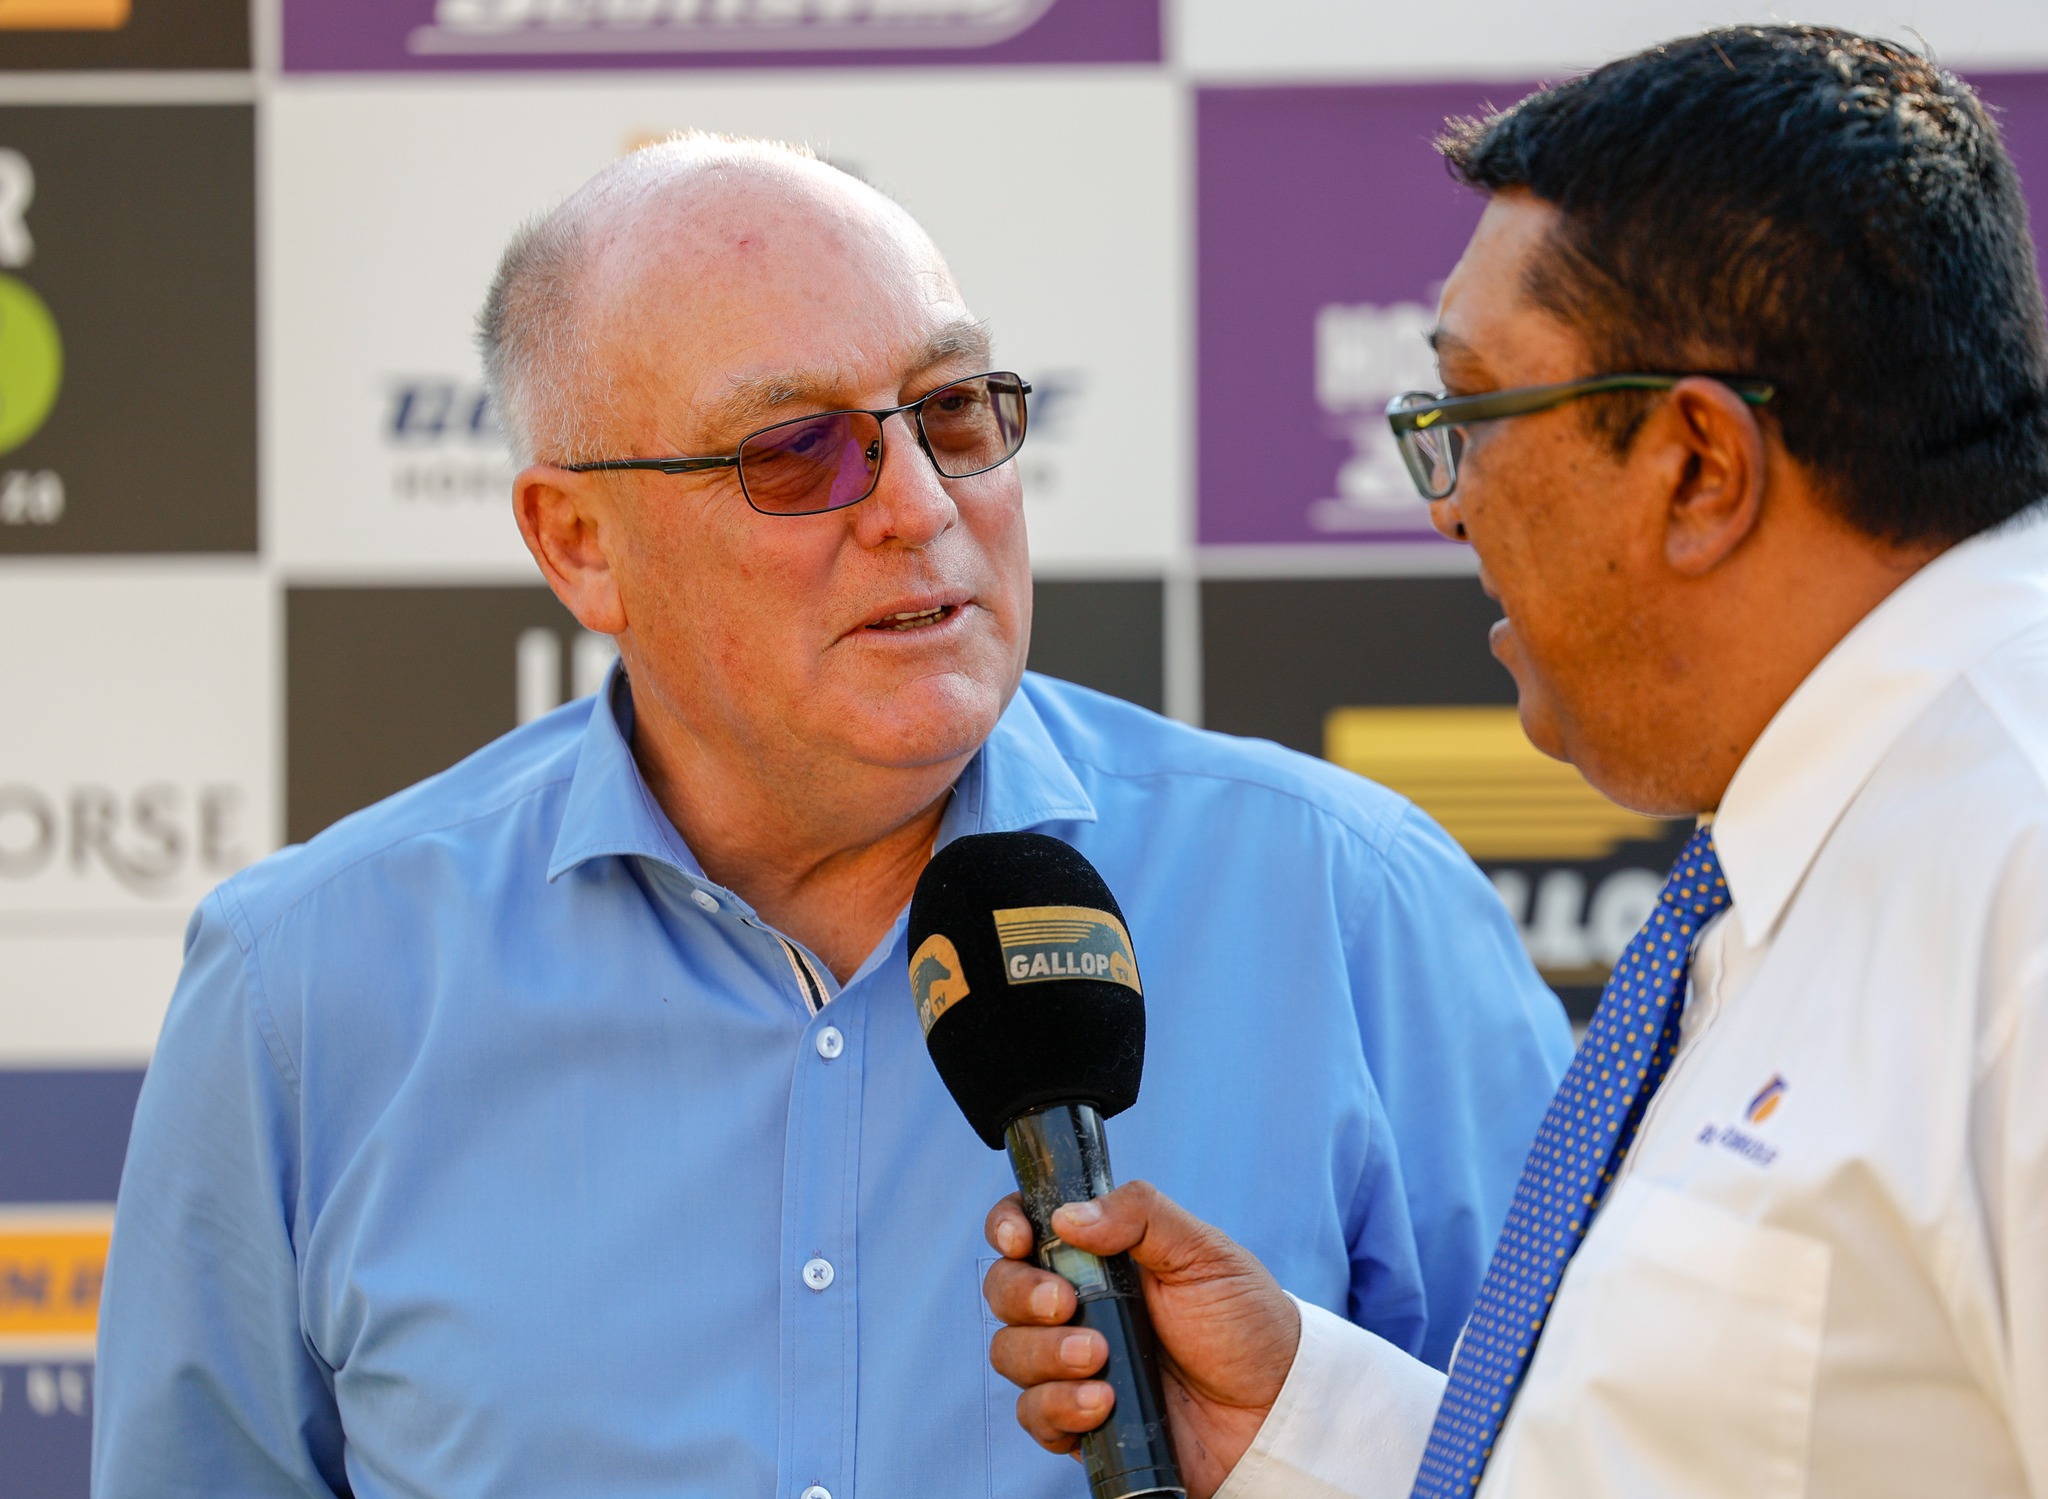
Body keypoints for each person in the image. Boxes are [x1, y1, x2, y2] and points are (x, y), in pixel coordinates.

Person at [91, 134, 1570, 1497]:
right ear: (579, 543)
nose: (920, 503)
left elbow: (1592, 1456)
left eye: (953, 412)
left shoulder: (1350, 900)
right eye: (798, 449)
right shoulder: (298, 989)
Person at [983, 26, 2048, 1499]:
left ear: (1698, 468)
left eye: (1470, 415)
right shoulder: (1816, 847)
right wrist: (1304, 1420)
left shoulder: (2017, 860)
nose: (1447, 504)